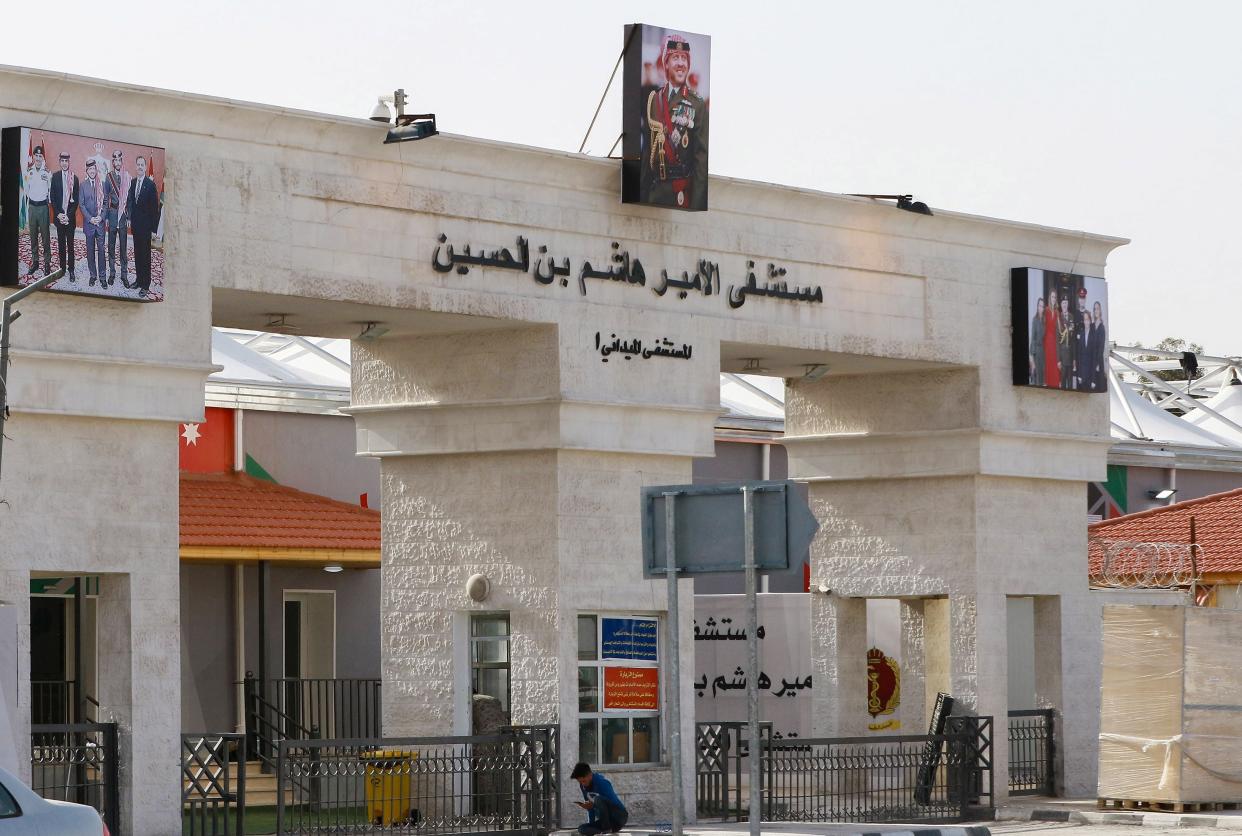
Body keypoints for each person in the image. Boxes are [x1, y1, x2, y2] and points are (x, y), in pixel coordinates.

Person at [643, 34, 708, 210]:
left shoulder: (697, 104)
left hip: (680, 194)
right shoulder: (654, 99)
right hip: (655, 192)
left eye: (684, 58)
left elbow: (701, 161)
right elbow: (647, 153)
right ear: (666, 63)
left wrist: (696, 204)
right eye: (675, 57)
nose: (681, 63)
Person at [127, 155, 159, 298]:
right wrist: (129, 218)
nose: (139, 167)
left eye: (142, 165)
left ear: (145, 168)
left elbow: (154, 210)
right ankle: (139, 281)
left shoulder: (150, 185)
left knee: (145, 257)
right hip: (136, 227)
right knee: (137, 255)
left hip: (146, 229)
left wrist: (153, 230)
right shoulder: (133, 183)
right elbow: (131, 202)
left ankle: (145, 285)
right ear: (136, 166)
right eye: (138, 164)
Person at [571, 762, 627, 836]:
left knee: (597, 799)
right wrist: (591, 824)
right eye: (580, 782)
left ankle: (606, 829)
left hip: (619, 817)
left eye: (584, 781)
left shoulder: (602, 783)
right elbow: (590, 808)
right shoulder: (583, 786)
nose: (583, 784)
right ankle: (602, 831)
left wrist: (594, 804)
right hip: (606, 822)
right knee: (581, 828)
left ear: (590, 775)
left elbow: (614, 803)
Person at [103, 149, 132, 288]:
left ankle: (124, 275)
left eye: (119, 160)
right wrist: (107, 217)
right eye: (115, 160)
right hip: (113, 214)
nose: (117, 162)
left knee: (123, 248)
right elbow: (106, 197)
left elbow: (130, 199)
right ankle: (112, 273)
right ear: (113, 162)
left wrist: (129, 217)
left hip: (123, 217)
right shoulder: (108, 177)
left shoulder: (127, 176)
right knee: (111, 246)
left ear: (122, 161)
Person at [24, 145, 53, 277]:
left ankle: (47, 263)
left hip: (42, 208)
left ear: (43, 158)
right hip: (32, 208)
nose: (38, 158)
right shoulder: (28, 171)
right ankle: (35, 262)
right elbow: (26, 190)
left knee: (45, 237)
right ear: (34, 156)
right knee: (33, 236)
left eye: (40, 156)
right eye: (36, 155)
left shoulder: (47, 172)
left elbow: (50, 191)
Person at [49, 151, 79, 280]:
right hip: (60, 218)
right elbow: (53, 198)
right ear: (60, 162)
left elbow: (76, 200)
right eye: (62, 161)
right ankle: (62, 269)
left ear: (69, 162)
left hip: (69, 219)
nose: (64, 163)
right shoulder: (55, 177)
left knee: (70, 245)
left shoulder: (74, 178)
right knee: (61, 244)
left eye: (66, 161)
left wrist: (68, 215)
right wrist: (59, 214)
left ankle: (71, 270)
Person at [80, 159, 107, 287]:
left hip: (100, 224)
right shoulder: (83, 185)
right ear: (87, 170)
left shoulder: (102, 184)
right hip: (89, 224)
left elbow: (106, 203)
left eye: (94, 169)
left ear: (96, 170)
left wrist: (101, 217)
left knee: (101, 251)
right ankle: (93, 275)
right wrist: (91, 218)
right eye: (89, 169)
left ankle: (102, 277)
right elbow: (82, 204)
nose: (92, 171)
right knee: (90, 251)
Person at [1042, 287, 1060, 388]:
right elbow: (1043, 325)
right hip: (1047, 340)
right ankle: (1047, 382)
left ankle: (1055, 383)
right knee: (1048, 361)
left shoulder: (1057, 312)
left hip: (1054, 340)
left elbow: (1059, 328)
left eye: (1055, 297)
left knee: (1054, 361)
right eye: (1052, 297)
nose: (1053, 299)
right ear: (1050, 297)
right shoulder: (1046, 310)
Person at [1073, 288, 1091, 390]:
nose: (1082, 300)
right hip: (1077, 351)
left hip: (1086, 352)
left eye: (1083, 298)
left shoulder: (1088, 314)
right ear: (1078, 299)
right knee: (1078, 381)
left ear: (1085, 299)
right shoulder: (1074, 314)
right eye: (1080, 298)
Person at [1056, 294, 1075, 390]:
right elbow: (1057, 341)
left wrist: (1074, 358)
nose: (1064, 305)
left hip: (1070, 355)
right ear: (1060, 304)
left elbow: (1073, 338)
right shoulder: (1058, 318)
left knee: (1070, 382)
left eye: (1066, 303)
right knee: (1063, 382)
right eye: (1063, 303)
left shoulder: (1072, 317)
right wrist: (1058, 359)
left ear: (1068, 304)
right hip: (1063, 357)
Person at [1088, 301, 1107, 391]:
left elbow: (1101, 348)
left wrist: (1097, 364)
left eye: (1097, 309)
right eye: (1095, 309)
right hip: (1091, 360)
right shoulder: (1091, 326)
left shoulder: (1102, 328)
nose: (1096, 311)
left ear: (1100, 311)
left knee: (1097, 387)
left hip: (1098, 361)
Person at [1028, 297, 1045, 386]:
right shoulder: (1035, 320)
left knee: (1043, 379)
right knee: (1037, 379)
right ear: (1037, 306)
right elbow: (1033, 339)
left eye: (1042, 306)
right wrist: (1032, 361)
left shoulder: (1045, 320)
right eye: (1039, 306)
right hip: (1037, 352)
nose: (1041, 308)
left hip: (1044, 352)